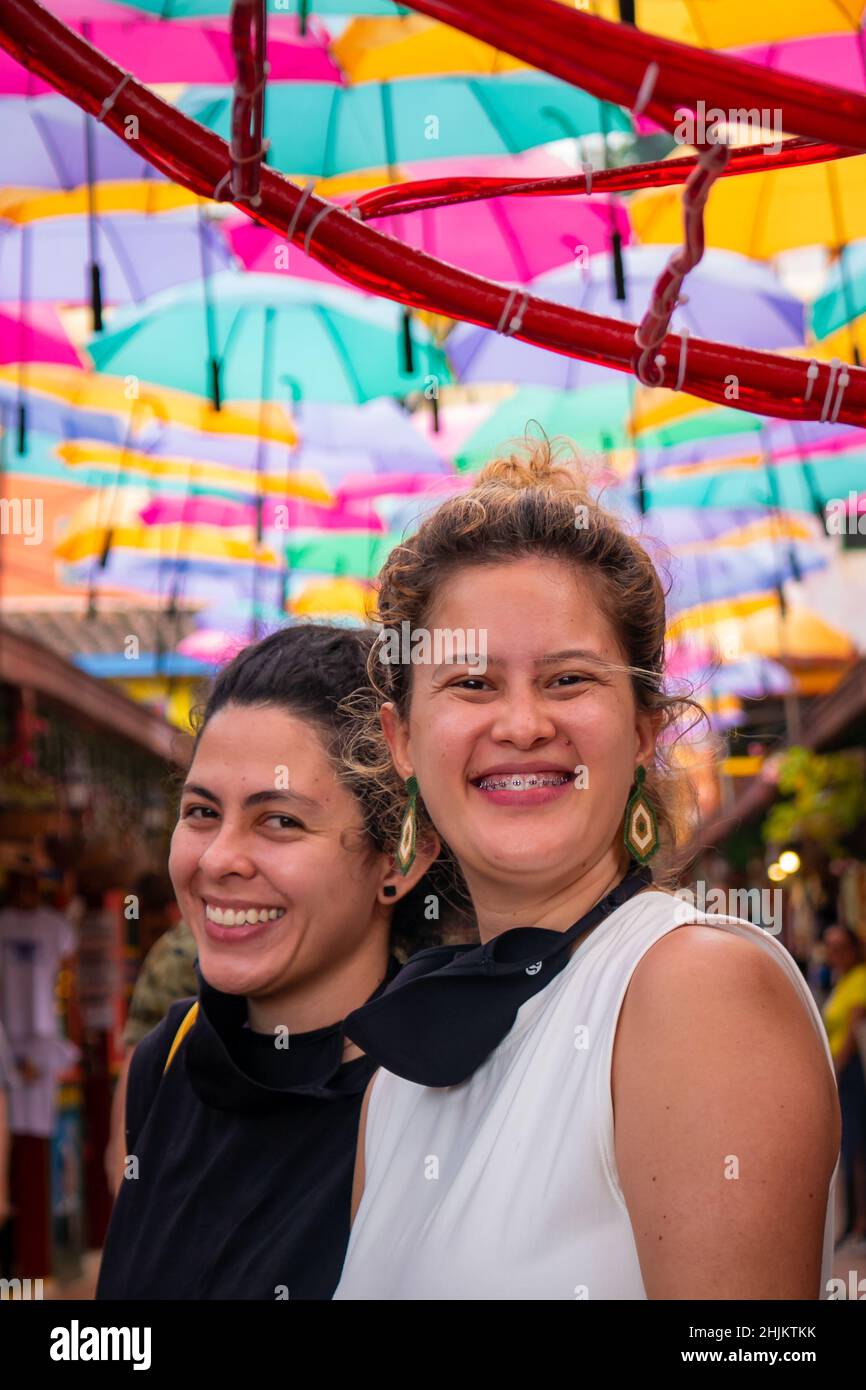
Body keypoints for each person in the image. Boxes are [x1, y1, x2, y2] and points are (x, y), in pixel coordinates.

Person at [333, 441, 841, 1301]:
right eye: (472, 683)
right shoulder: (395, 1086)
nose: (524, 724)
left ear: (644, 729)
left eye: (568, 679)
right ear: (402, 740)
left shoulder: (694, 989)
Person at [96, 622, 463, 1301]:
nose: (217, 859)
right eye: (203, 811)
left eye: (280, 821)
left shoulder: (443, 1102)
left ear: (398, 859)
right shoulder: (167, 1061)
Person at [822, 924, 866, 1247]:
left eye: (840, 947)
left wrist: (833, 1072)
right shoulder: (840, 982)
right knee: (849, 1148)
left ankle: (860, 1224)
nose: (834, 954)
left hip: (852, 1073)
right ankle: (853, 1221)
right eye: (829, 947)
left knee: (857, 1148)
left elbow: (853, 1034)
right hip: (843, 1070)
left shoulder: (860, 979)